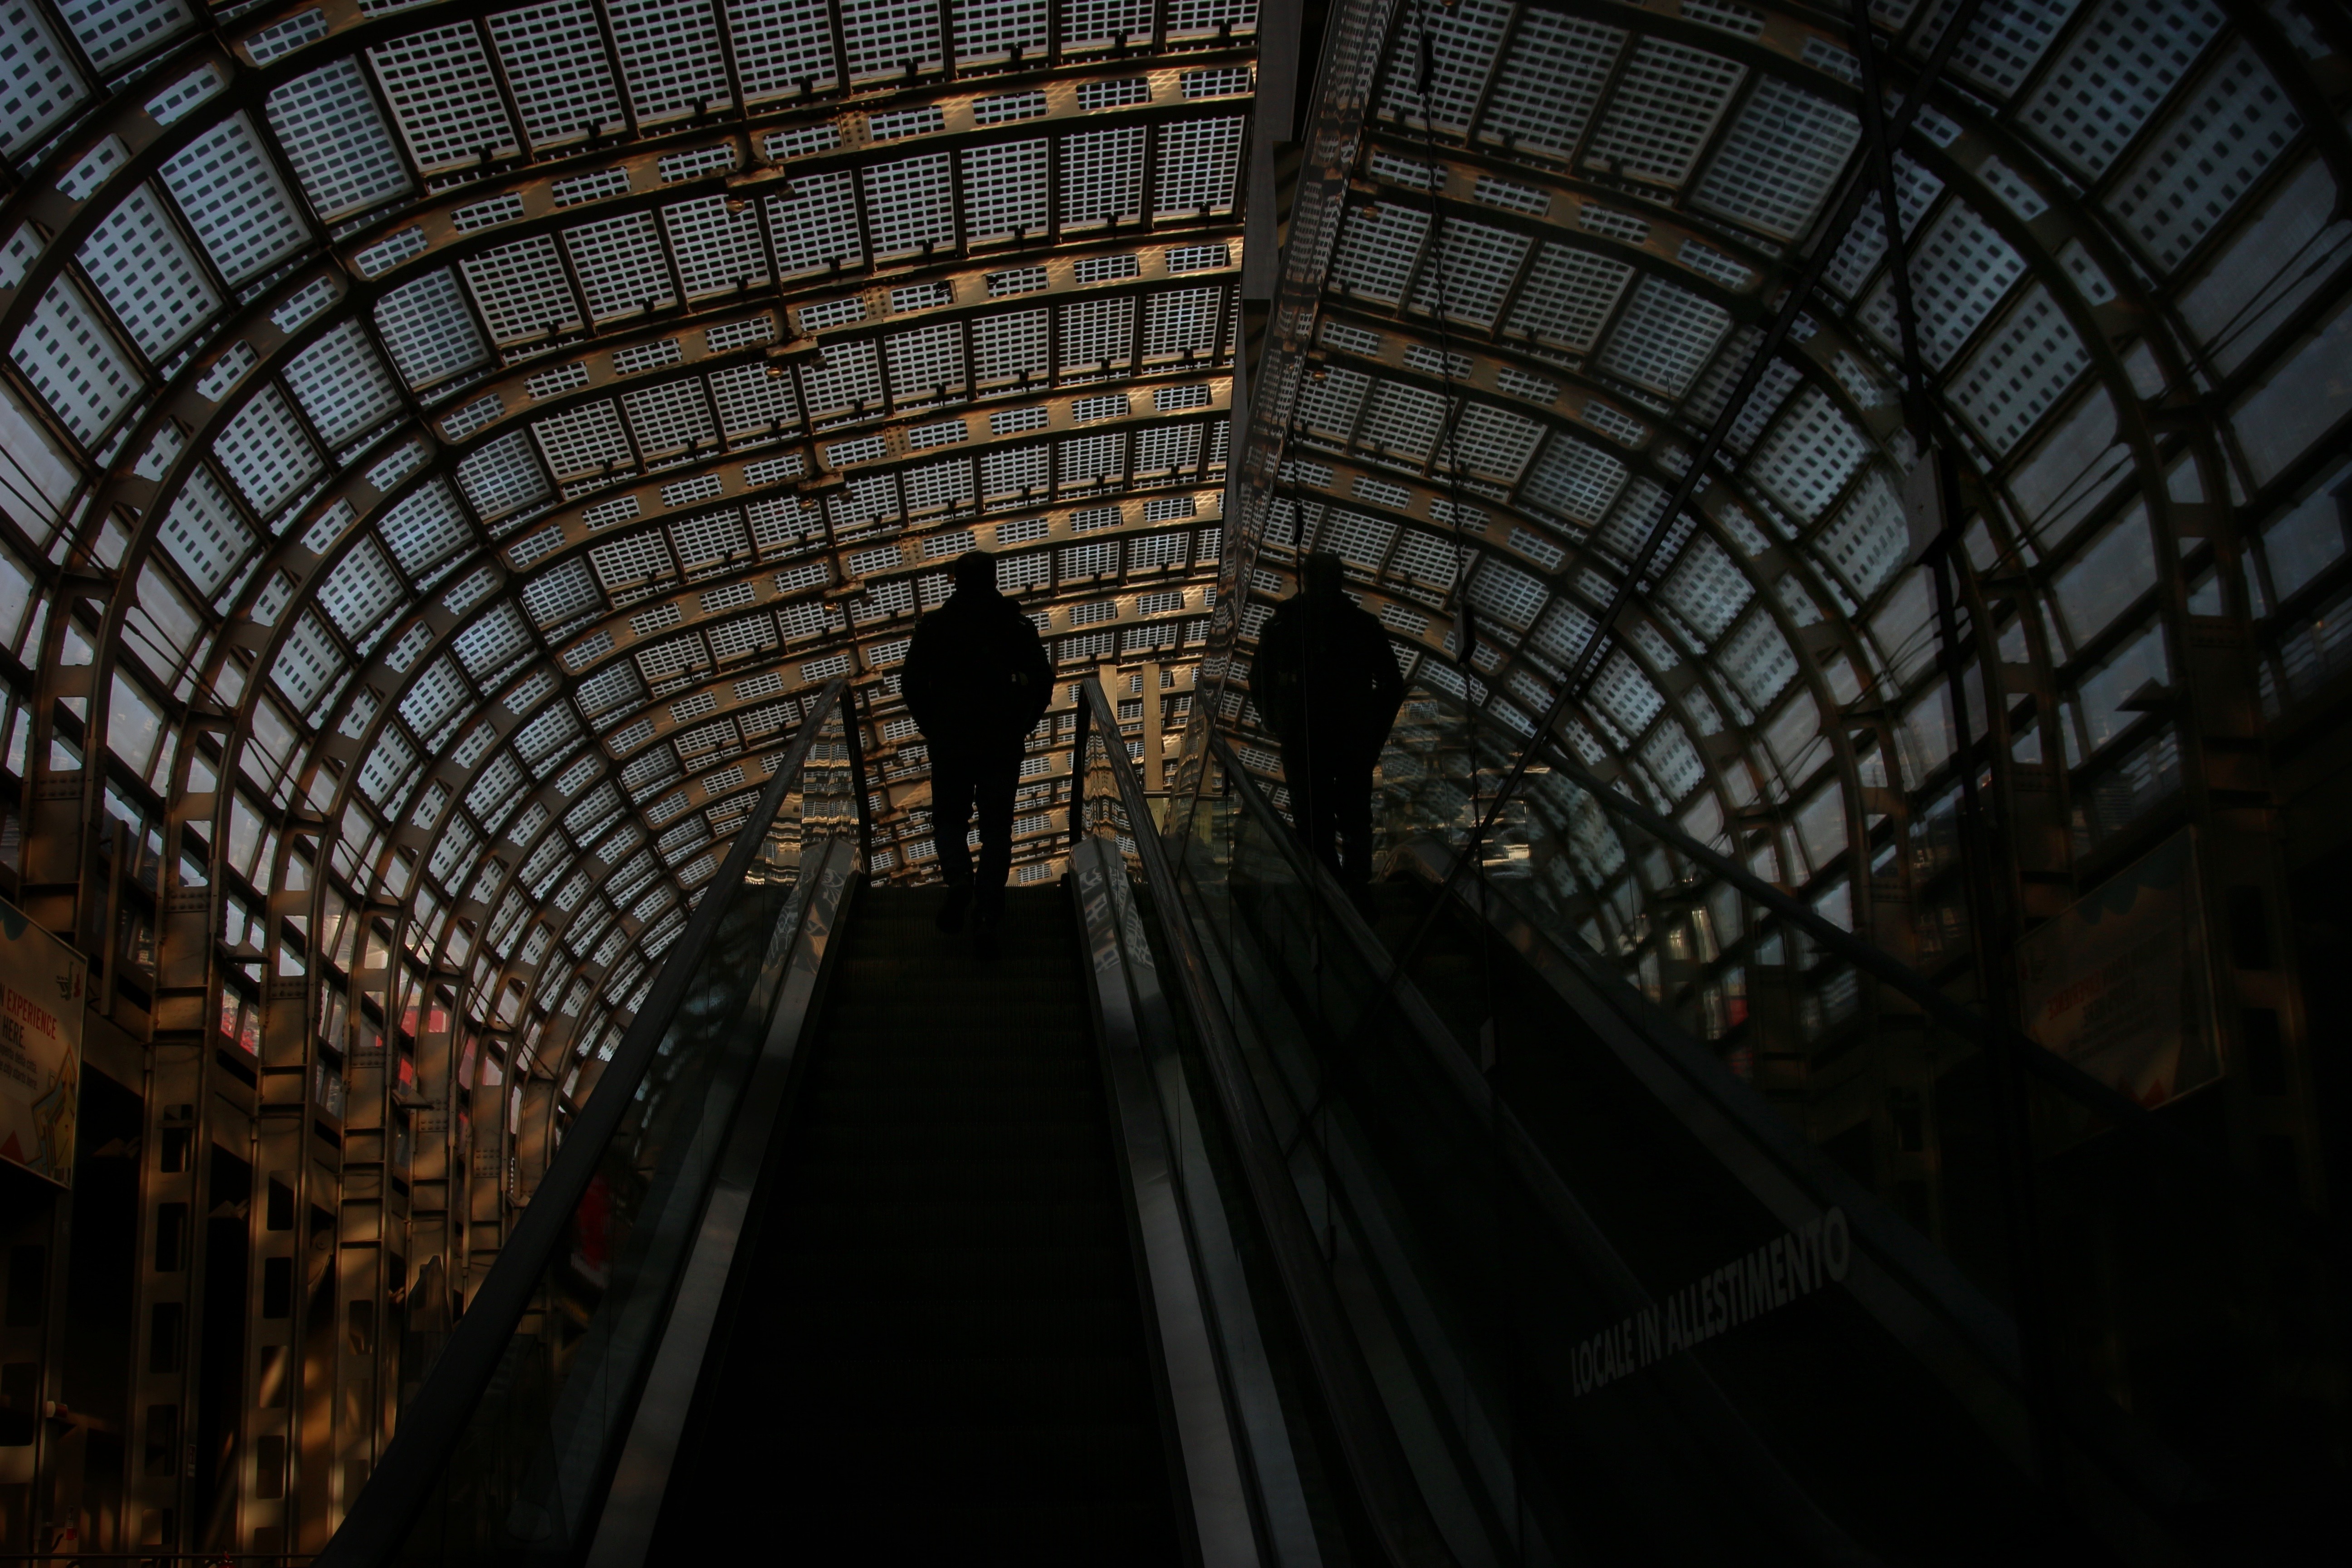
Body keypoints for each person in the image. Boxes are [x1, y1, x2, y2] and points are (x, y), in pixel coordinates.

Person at [904, 549, 1053, 954]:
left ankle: (958, 879)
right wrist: (1022, 724)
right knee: (997, 829)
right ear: (993, 580)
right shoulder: (1016, 626)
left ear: (955, 581)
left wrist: (932, 726)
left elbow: (912, 684)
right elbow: (1043, 682)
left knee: (950, 818)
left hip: (951, 740)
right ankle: (987, 913)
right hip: (1001, 742)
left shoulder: (934, 627)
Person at [1250, 552, 1405, 885]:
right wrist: (1371, 732)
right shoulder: (1361, 626)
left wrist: (1278, 722)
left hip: (1304, 741)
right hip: (1349, 740)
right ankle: (1355, 893)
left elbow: (1258, 681)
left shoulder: (1283, 625)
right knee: (1354, 819)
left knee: (1313, 821)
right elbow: (1393, 684)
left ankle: (1328, 891)